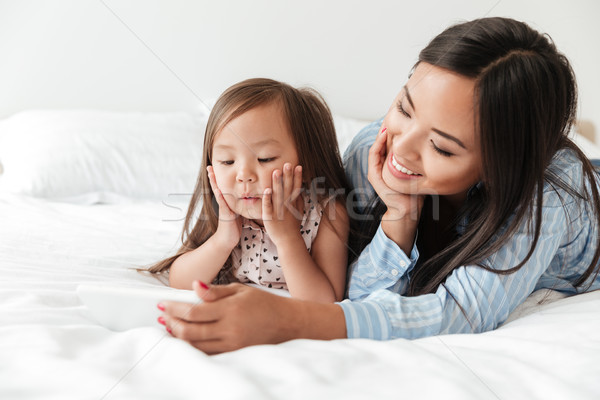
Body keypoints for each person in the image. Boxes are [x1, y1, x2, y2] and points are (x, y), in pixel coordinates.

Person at [157, 17, 600, 353]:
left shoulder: (550, 194)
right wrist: (401, 216)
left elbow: (461, 312)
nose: (401, 150)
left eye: (441, 148)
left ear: (499, 165)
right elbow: (363, 294)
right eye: (404, 108)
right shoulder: (376, 146)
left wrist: (292, 321)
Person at [147, 78, 350, 304]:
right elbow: (181, 281)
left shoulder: (326, 214)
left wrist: (287, 237)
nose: (243, 174)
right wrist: (223, 239)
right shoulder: (227, 212)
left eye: (265, 158)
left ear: (306, 161)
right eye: (227, 161)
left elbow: (323, 302)